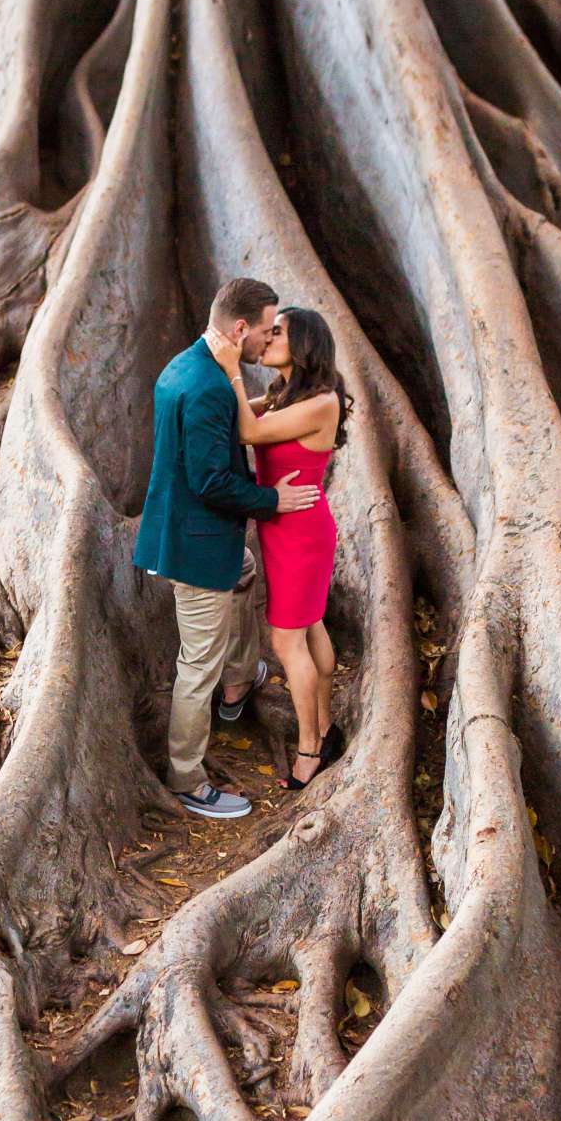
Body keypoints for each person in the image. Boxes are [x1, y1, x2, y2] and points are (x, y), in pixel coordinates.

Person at [134, 277, 319, 819]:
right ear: (240, 329)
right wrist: (272, 499)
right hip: (197, 544)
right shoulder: (211, 388)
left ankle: (242, 680)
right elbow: (212, 479)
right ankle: (187, 778)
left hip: (190, 531)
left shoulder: (185, 365)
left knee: (245, 574)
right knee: (197, 666)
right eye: (266, 330)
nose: (269, 340)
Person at [208, 305, 350, 789]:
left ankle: (310, 747)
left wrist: (231, 368)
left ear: (305, 343)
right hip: (283, 528)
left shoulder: (323, 402)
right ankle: (326, 727)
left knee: (287, 641)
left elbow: (248, 431)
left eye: (279, 333)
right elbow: (243, 413)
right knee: (309, 629)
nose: (267, 339)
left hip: (302, 534)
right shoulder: (287, 394)